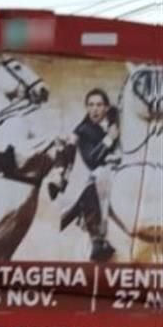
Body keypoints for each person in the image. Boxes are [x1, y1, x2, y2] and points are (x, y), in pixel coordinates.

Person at [59, 88, 120, 262]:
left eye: (99, 105)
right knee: (90, 189)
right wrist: (109, 139)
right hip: (94, 173)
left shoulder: (115, 121)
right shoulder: (83, 130)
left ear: (106, 108)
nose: (95, 109)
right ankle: (97, 241)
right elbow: (92, 159)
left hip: (117, 170)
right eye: (91, 105)